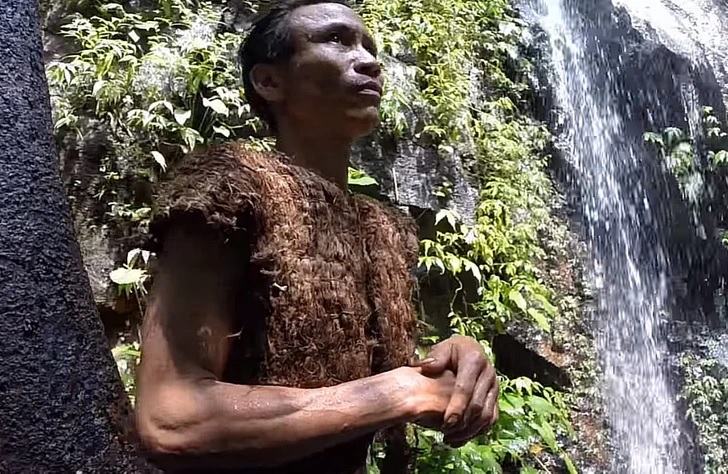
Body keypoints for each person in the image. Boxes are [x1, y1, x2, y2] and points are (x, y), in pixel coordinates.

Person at [134, 1, 499, 472]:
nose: (369, 61)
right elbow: (171, 417)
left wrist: (448, 364)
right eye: (337, 40)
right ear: (270, 81)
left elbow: (355, 376)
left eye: (370, 48)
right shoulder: (232, 188)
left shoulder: (382, 227)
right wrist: (398, 392)